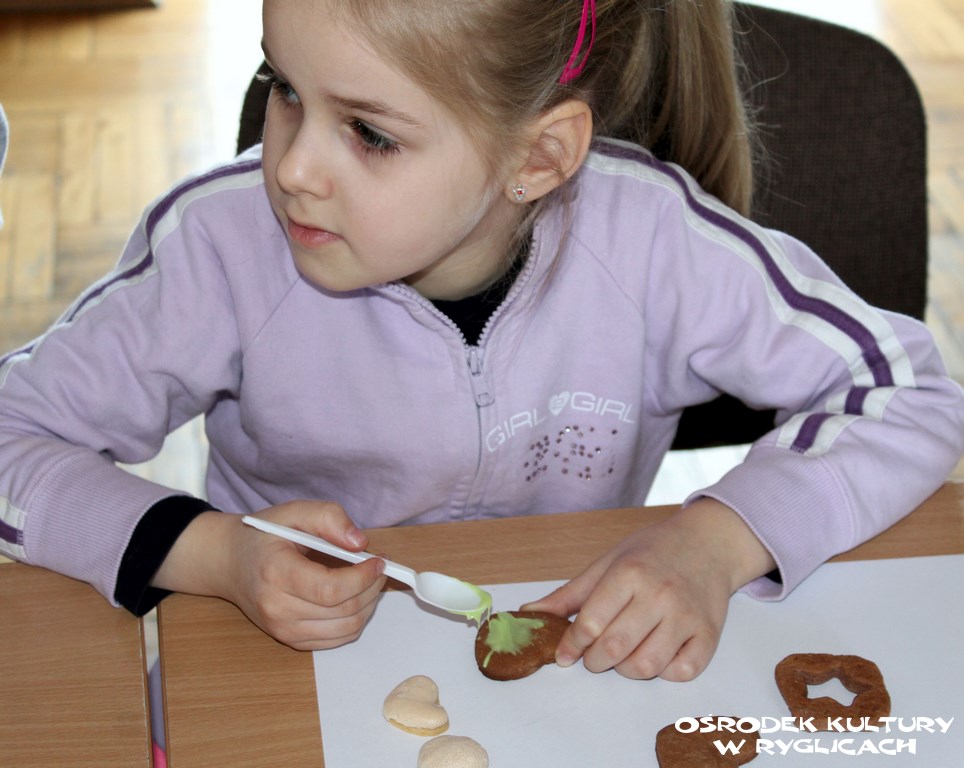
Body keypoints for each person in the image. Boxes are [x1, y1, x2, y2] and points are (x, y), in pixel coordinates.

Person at [1, 0, 961, 683]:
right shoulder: (218, 248)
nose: (290, 168)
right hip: (274, 664)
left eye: (369, 134)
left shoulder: (654, 242)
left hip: (574, 686)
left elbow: (909, 392)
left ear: (539, 156)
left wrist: (718, 540)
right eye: (282, 86)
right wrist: (214, 555)